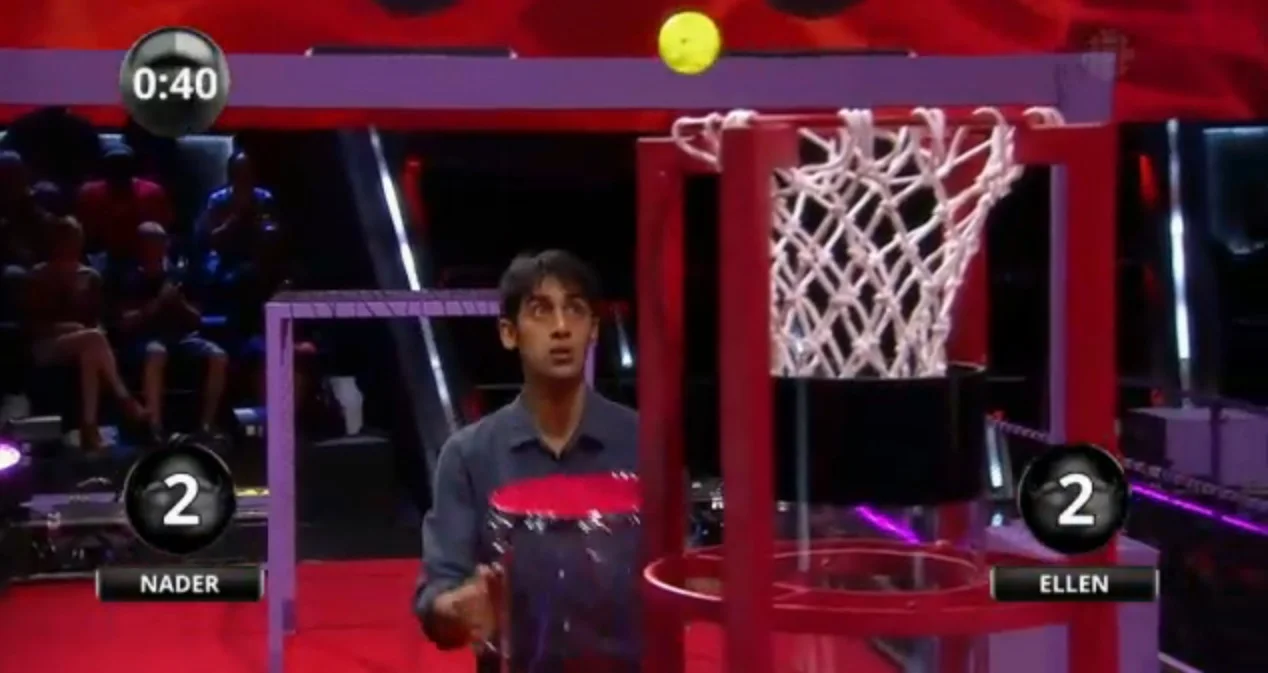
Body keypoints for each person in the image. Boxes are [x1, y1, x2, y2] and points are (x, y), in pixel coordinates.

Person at [414, 250, 638, 673]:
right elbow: (437, 596)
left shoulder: (645, 444)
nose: (561, 327)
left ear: (593, 329)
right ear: (508, 333)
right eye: (541, 310)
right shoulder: (468, 455)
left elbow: (677, 574)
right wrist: (458, 609)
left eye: (575, 310)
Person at [22, 217, 148, 454]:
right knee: (92, 340)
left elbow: (97, 319)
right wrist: (69, 327)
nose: (73, 244)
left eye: (76, 239)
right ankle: (125, 399)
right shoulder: (39, 276)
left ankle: (89, 428)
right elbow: (33, 325)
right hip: (46, 345)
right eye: (68, 239)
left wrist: (93, 329)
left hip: (85, 341)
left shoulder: (90, 276)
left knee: (91, 351)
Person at [114, 222, 227, 438]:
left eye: (159, 243)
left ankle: (206, 426)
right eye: (149, 244)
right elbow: (125, 323)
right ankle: (154, 427)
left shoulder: (180, 276)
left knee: (218, 355)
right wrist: (157, 304)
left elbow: (197, 320)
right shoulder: (127, 278)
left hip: (182, 338)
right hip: (144, 340)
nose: (155, 249)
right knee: (156, 352)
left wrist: (179, 303)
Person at [74, 146, 173, 262]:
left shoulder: (152, 193)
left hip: (143, 257)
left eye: (124, 165)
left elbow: (162, 231)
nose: (119, 171)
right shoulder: (89, 194)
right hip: (100, 255)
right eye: (114, 165)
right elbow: (84, 233)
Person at [192, 150, 278, 279]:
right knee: (211, 271)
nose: (245, 180)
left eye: (248, 174)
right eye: (240, 174)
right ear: (231, 177)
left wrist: (263, 226)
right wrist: (231, 223)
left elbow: (273, 230)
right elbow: (209, 239)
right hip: (224, 256)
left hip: (254, 256)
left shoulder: (264, 198)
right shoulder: (217, 200)